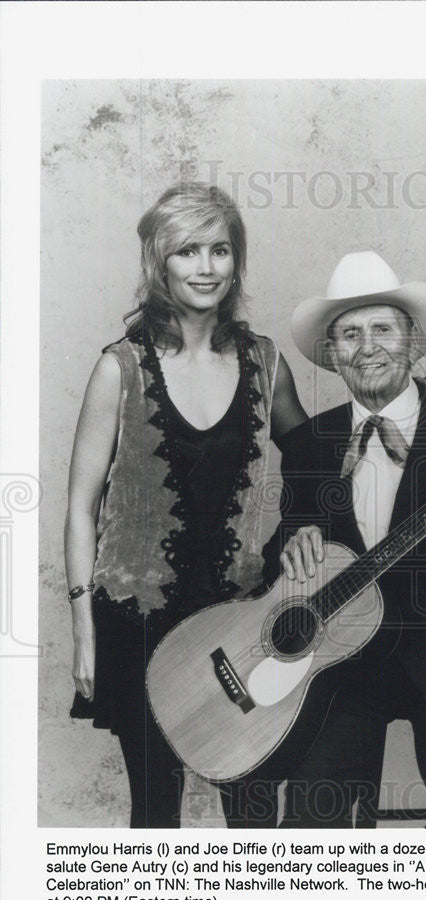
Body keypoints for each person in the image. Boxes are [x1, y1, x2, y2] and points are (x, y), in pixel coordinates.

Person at [262, 250, 426, 827]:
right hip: (341, 671)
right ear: (332, 356)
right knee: (310, 828)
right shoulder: (310, 443)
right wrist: (292, 543)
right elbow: (279, 552)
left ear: (412, 341)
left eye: (383, 328)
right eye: (350, 335)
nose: (368, 346)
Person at [65, 183, 307, 828]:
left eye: (220, 250)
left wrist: (411, 405)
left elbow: (314, 460)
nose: (205, 267)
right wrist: (83, 629)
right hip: (136, 618)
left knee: (252, 806)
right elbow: (80, 508)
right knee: (156, 810)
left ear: (237, 260)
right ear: (159, 263)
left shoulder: (264, 362)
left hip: (236, 615)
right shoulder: (120, 368)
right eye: (187, 251)